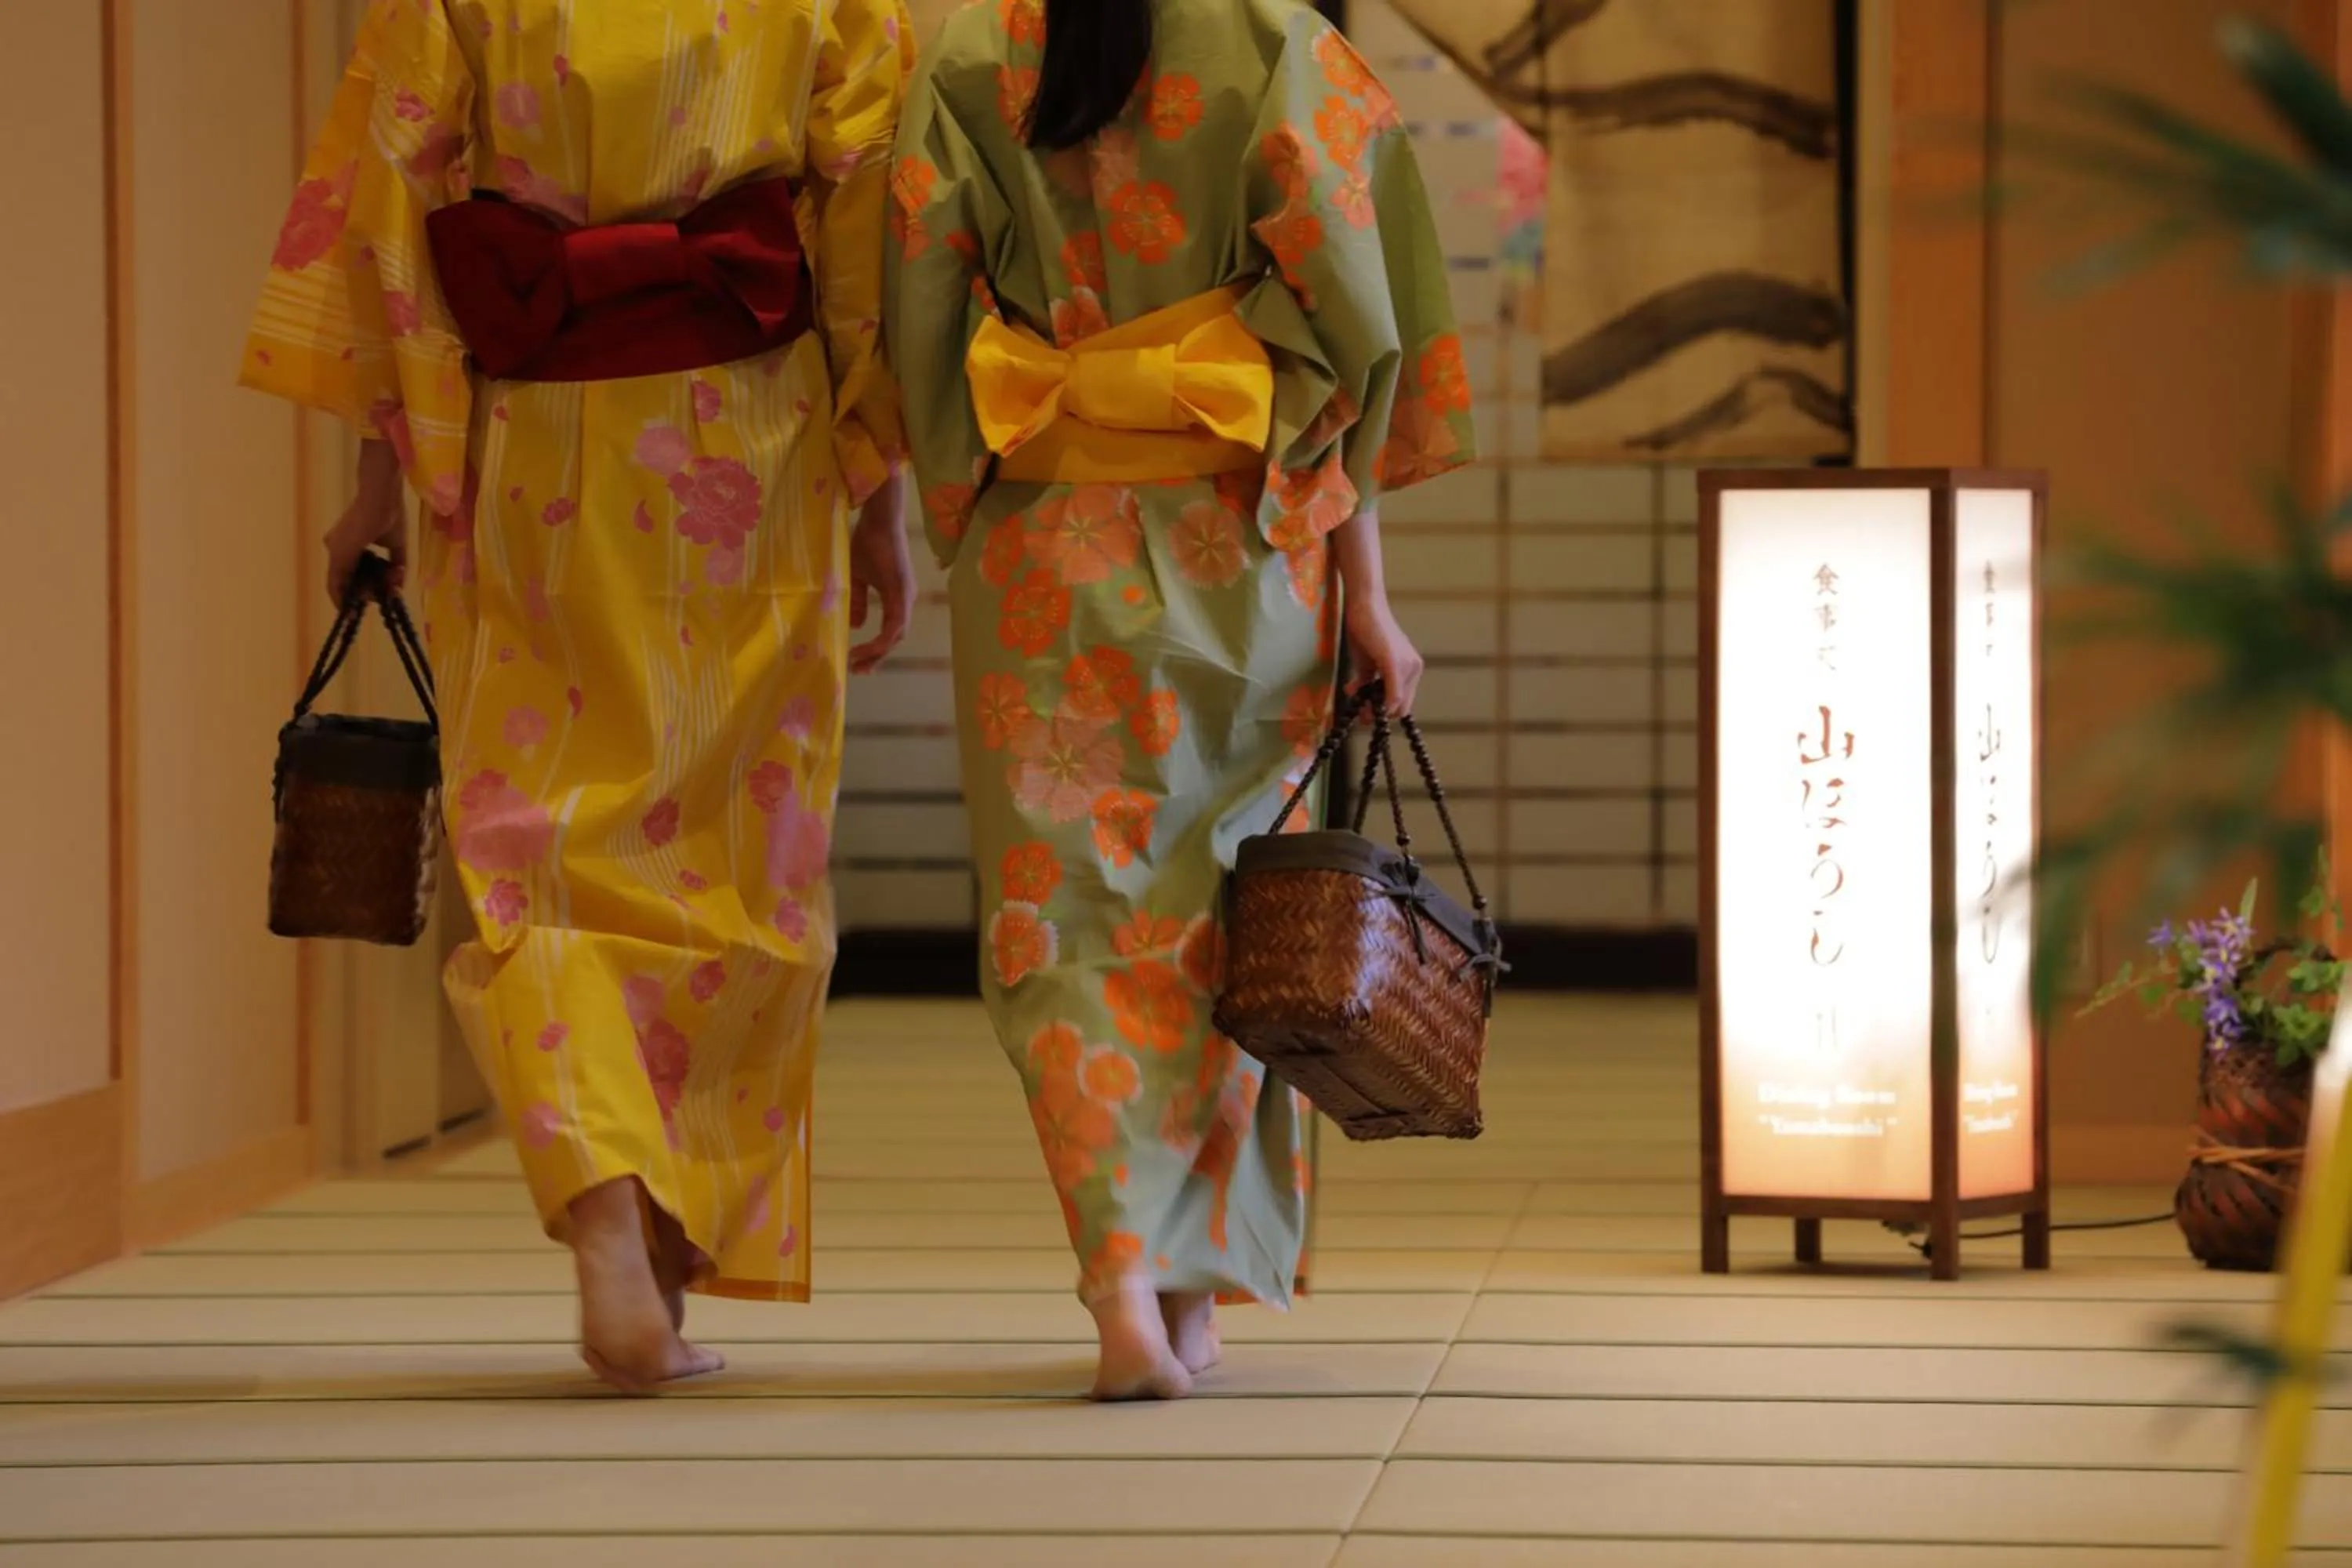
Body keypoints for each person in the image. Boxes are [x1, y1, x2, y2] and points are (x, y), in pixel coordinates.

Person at [242, 0, 917, 1394]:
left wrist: (378, 482)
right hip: (752, 430)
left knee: (536, 835)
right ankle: (662, 1236)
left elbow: (393, 204)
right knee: (742, 851)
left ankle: (614, 1219)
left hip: (538, 435)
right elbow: (872, 225)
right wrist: (877, 484)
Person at [887, 0, 1474, 1399]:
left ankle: (1123, 1285)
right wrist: (1372, 597)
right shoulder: (1274, 45)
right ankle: (1198, 1278)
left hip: (1044, 547)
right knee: (1234, 915)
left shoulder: (973, 54)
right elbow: (1349, 345)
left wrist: (954, 494)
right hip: (1244, 551)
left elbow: (915, 301)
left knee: (1065, 919)